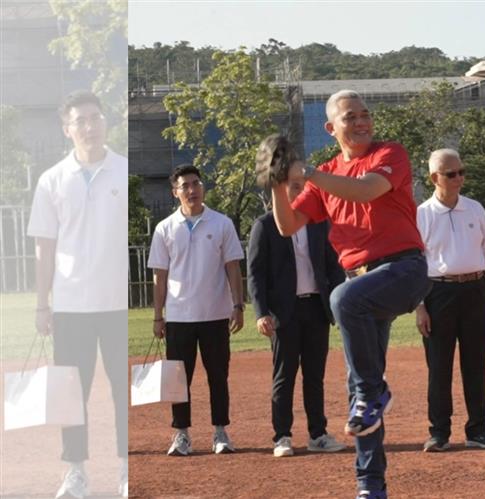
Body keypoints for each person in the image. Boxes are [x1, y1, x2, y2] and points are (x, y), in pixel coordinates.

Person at [259, 90, 431, 499]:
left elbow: (369, 190)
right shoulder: (329, 173)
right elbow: (287, 226)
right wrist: (278, 182)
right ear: (330, 127)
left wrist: (309, 174)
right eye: (350, 117)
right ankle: (370, 485)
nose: (361, 122)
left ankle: (374, 393)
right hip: (366, 283)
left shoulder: (389, 153)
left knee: (341, 300)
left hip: (404, 269)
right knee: (359, 395)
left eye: (365, 114)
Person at [27, 90, 129, 498]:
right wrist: (41, 303)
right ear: (67, 129)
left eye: (95, 117)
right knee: (72, 393)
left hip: (116, 305)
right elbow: (44, 248)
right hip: (70, 306)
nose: (89, 126)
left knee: (122, 391)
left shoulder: (123, 171)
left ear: (105, 122)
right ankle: (75, 472)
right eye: (80, 120)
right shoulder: (51, 180)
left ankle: (126, 468)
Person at [247, 157, 347, 457]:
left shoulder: (318, 223)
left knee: (314, 377)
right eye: (294, 185)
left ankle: (318, 434)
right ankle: (282, 436)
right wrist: (261, 312)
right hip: (283, 314)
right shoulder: (264, 226)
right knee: (284, 376)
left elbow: (334, 267)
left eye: (304, 185)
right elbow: (256, 273)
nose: (300, 190)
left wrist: (335, 300)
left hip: (316, 309)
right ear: (280, 189)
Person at [147, 164, 245, 457]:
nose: (192, 190)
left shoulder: (222, 223)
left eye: (196, 183)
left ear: (203, 187)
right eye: (185, 186)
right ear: (175, 192)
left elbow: (233, 267)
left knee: (218, 376)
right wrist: (158, 315)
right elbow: (159, 276)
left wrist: (238, 305)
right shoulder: (164, 228)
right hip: (178, 317)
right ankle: (181, 434)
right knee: (179, 381)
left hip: (216, 314)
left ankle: (220, 432)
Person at [414, 149, 485, 453]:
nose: (459, 178)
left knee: (475, 365)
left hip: (475, 290)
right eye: (451, 174)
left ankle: (478, 430)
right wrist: (419, 307)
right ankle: (439, 432)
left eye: (462, 172)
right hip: (437, 292)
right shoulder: (421, 215)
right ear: (434, 178)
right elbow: (415, 265)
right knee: (438, 367)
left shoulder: (475, 209)